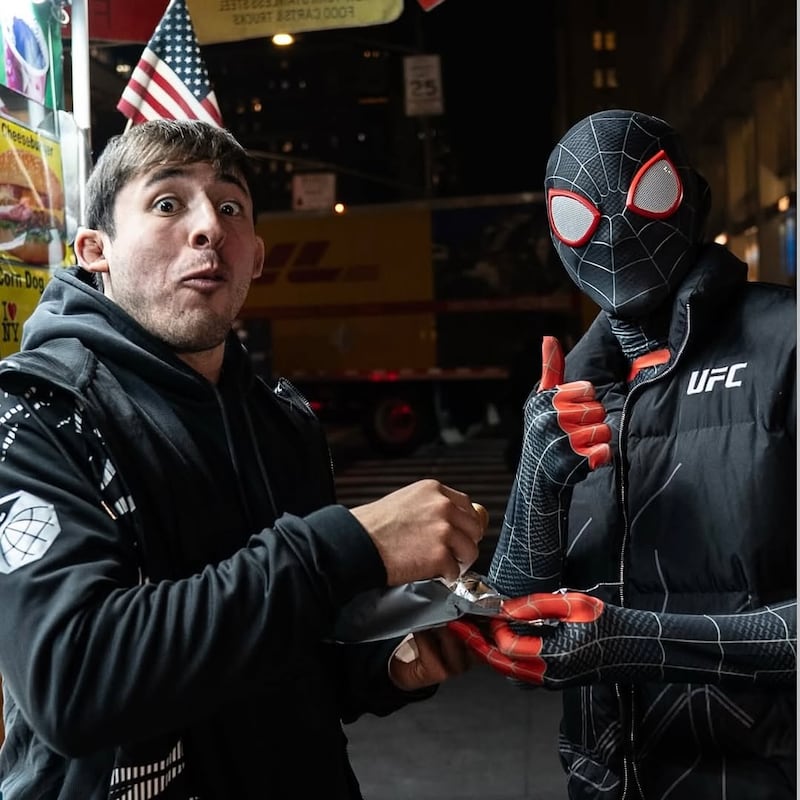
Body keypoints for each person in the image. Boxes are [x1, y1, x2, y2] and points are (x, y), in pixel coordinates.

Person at [0, 119, 488, 799]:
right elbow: (75, 680)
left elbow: (289, 643)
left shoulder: (283, 421)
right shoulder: (35, 412)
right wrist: (346, 545)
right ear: (94, 250)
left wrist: (387, 662)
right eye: (167, 204)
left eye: (230, 207)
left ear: (255, 255)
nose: (208, 228)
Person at [450, 109, 796, 799]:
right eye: (578, 215)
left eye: (650, 192)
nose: (614, 229)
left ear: (694, 199)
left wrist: (638, 640)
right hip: (606, 781)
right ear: (556, 237)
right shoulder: (571, 388)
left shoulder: (786, 347)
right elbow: (521, 615)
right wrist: (536, 485)